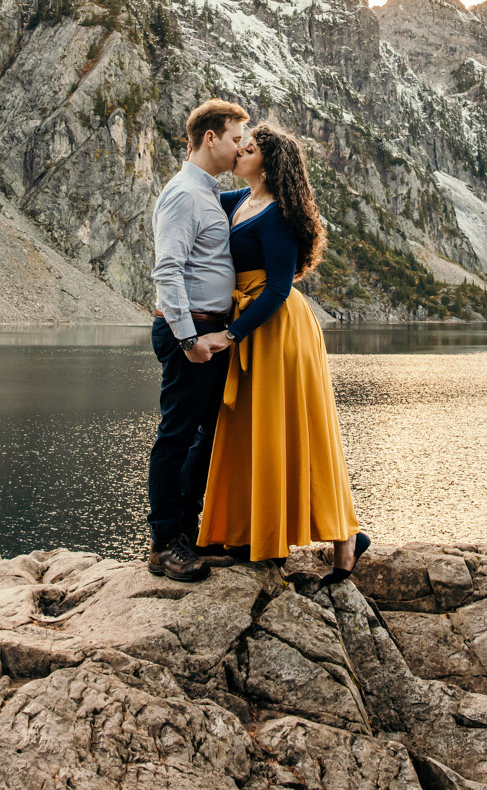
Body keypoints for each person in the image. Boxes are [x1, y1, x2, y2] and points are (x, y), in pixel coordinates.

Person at [198, 123, 369, 581]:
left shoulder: (279, 216)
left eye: (248, 149)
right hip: (252, 325)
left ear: (269, 166)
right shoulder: (238, 202)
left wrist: (230, 335)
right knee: (251, 428)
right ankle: (250, 532)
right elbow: (199, 201)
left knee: (299, 427)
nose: (240, 153)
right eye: (241, 145)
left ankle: (346, 537)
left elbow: (276, 290)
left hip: (279, 329)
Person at [146, 98, 251, 583]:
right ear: (210, 137)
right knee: (176, 437)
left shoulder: (207, 191)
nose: (240, 148)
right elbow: (167, 270)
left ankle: (187, 536)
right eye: (234, 139)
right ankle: (165, 543)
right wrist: (190, 340)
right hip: (190, 332)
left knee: (199, 440)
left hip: (207, 331)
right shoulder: (185, 194)